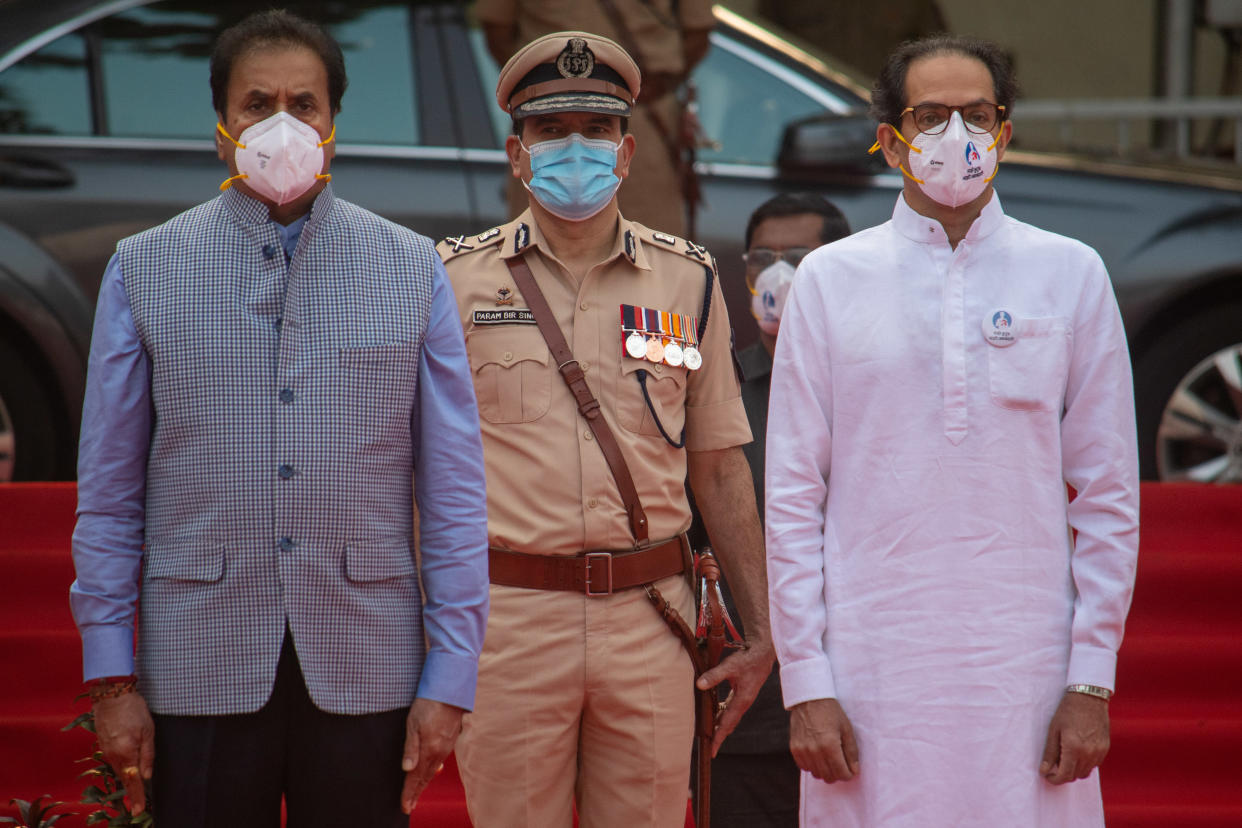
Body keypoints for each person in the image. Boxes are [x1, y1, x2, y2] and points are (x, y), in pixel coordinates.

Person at [68, 11, 489, 827]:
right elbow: (110, 491)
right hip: (199, 662)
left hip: (367, 661)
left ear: (335, 125)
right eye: (258, 104)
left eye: (306, 103)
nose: (283, 124)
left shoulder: (411, 268)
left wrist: (452, 675)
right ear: (222, 128)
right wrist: (113, 681)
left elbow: (453, 492)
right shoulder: (144, 268)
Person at [765, 35, 1140, 827]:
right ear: (890, 140)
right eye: (930, 116)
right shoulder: (830, 282)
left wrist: (1090, 680)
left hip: (1028, 671)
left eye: (976, 114)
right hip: (870, 671)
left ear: (1004, 133)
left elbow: (1107, 494)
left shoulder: (1070, 273)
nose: (955, 137)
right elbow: (794, 496)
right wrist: (807, 684)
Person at [437, 31, 774, 828]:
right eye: (552, 132)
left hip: (650, 619)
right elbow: (425, 466)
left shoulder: (687, 278)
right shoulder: (450, 280)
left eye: (596, 130)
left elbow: (719, 467)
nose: (575, 149)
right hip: (511, 619)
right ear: (518, 156)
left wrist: (760, 631)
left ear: (625, 153)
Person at [697, 193, 850, 828]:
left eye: (801, 259)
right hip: (753, 714)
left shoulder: (887, 388)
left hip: (868, 700)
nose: (778, 276)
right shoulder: (714, 395)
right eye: (763, 258)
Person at [473, 0, 715, 236]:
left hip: (642, 119)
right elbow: (496, 30)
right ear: (515, 153)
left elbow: (698, 33)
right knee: (535, 251)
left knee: (650, 257)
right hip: (547, 118)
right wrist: (539, 87)